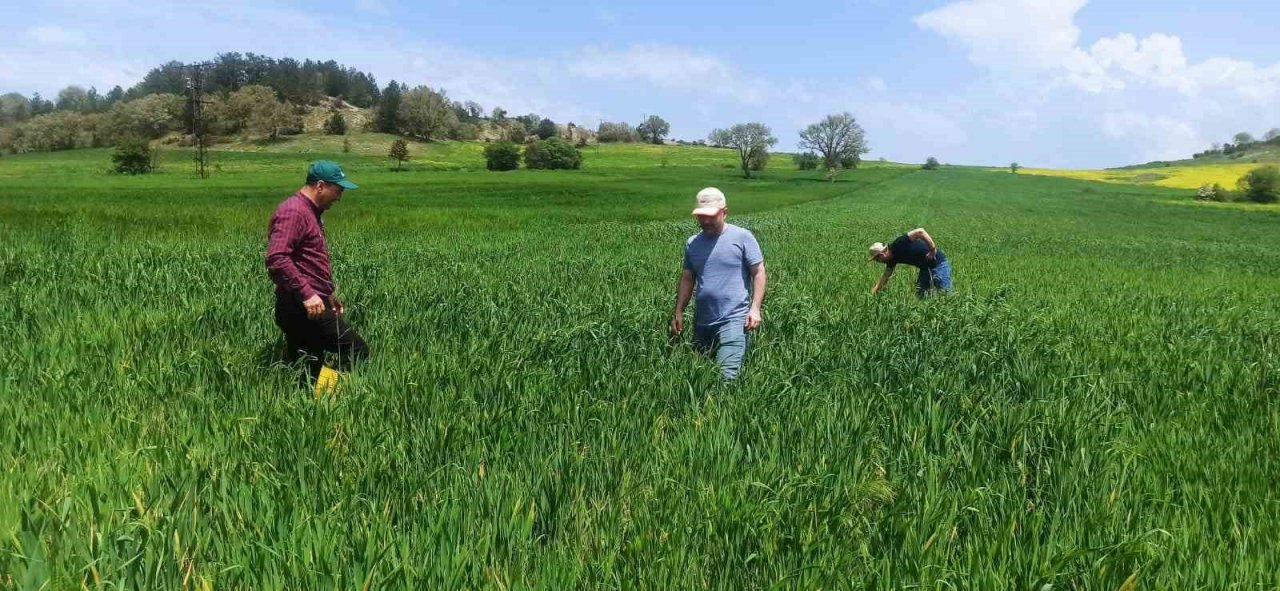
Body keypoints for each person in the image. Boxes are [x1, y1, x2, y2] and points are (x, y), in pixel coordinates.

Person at [266, 160, 368, 387]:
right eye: (338, 190)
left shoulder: (311, 211)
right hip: (302, 307)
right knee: (357, 350)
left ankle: (321, 405)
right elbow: (277, 258)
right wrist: (308, 294)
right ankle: (344, 394)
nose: (339, 197)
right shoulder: (293, 211)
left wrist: (327, 293)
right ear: (320, 186)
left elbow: (308, 261)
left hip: (310, 303)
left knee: (309, 369)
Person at [670, 187, 767, 381]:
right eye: (701, 216)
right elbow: (688, 278)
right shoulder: (692, 243)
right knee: (700, 379)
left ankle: (725, 411)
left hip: (733, 320)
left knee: (725, 379)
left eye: (711, 216)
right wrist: (679, 311)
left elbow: (758, 273)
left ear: (725, 212)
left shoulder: (742, 237)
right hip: (702, 322)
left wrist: (755, 308)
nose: (705, 221)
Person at [869, 227, 951, 297]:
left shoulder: (898, 244)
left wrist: (932, 249)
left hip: (939, 265)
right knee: (921, 297)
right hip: (925, 269)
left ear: (883, 253)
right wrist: (872, 294)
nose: (878, 261)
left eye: (877, 259)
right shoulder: (891, 259)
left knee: (945, 295)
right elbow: (885, 277)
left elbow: (920, 231)